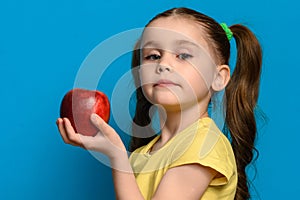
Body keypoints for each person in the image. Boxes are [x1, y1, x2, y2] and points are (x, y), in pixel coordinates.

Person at [56, 7, 263, 200]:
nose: (163, 64)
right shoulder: (141, 154)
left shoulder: (203, 146)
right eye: (153, 56)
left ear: (218, 78)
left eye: (183, 55)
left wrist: (117, 156)